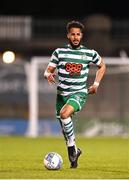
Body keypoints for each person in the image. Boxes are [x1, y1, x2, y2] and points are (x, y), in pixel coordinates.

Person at [44, 20, 106, 168]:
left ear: (81, 36)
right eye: (73, 34)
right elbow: (48, 70)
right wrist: (47, 74)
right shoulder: (59, 52)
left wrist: (96, 84)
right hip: (61, 95)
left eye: (78, 34)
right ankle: (74, 153)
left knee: (65, 114)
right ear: (68, 36)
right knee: (65, 129)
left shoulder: (89, 53)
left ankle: (72, 148)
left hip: (79, 93)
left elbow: (102, 65)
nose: (75, 37)